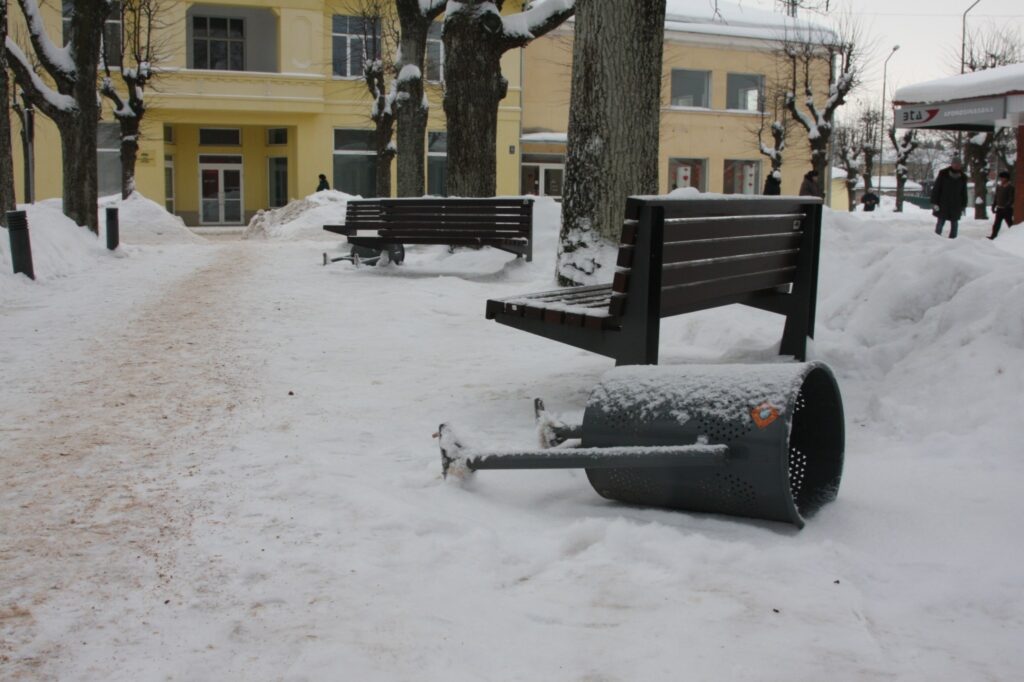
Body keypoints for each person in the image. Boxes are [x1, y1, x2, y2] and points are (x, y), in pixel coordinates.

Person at [930, 156, 968, 239]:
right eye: (955, 164)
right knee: (940, 222)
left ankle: (953, 240)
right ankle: (936, 238)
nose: (957, 166)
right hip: (943, 203)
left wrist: (963, 205)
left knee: (954, 223)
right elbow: (937, 188)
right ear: (952, 164)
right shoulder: (943, 173)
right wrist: (934, 202)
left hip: (956, 204)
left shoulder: (963, 177)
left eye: (959, 164)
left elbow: (964, 192)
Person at [988, 171, 1015, 240]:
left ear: (1007, 179)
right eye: (1001, 178)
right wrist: (994, 206)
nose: (1002, 179)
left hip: (1007, 209)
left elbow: (1011, 198)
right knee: (996, 224)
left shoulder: (1010, 187)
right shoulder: (999, 187)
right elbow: (996, 197)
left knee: (1010, 223)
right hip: (999, 208)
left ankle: (1015, 236)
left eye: (1003, 178)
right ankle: (993, 236)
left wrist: (1007, 205)